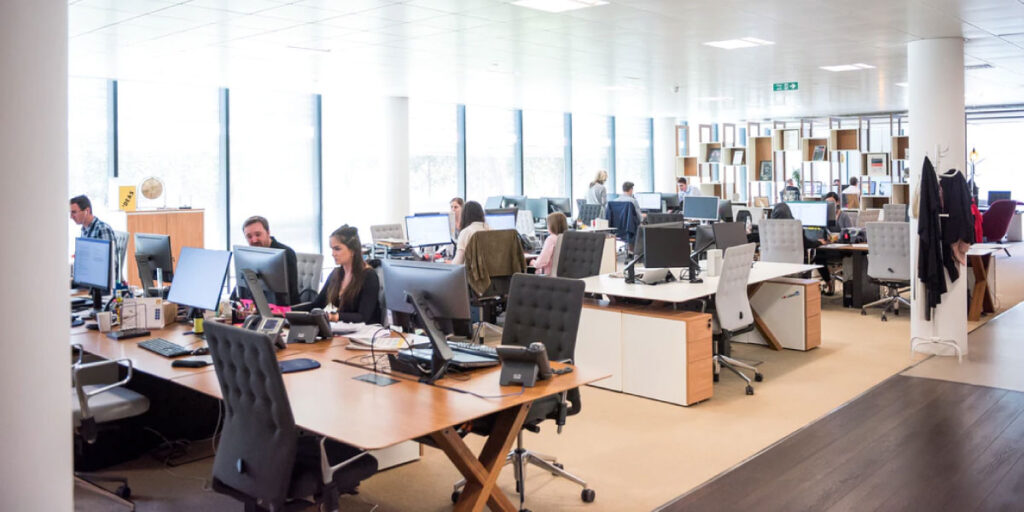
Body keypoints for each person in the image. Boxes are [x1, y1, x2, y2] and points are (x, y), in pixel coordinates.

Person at [300, 225, 381, 324]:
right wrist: (284, 311)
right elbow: (317, 304)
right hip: (344, 329)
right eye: (332, 249)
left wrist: (333, 317)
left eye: (337, 249)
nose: (333, 254)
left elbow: (363, 317)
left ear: (352, 251)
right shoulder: (336, 273)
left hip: (366, 333)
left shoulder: (369, 276)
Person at [239, 215, 299, 305]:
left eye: (258, 234)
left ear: (268, 232)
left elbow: (290, 292)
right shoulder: (249, 255)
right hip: (257, 307)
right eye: (249, 237)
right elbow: (242, 285)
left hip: (283, 310)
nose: (254, 240)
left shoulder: (286, 253)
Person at [70, 195, 120, 282]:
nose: (71, 217)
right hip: (88, 279)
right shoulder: (84, 230)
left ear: (87, 211)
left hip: (100, 283)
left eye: (74, 212)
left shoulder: (102, 229)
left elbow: (111, 265)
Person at [451, 201, 488, 265]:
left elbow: (458, 262)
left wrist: (450, 263)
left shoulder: (466, 232)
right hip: (492, 273)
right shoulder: (490, 229)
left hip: (472, 273)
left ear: (464, 215)